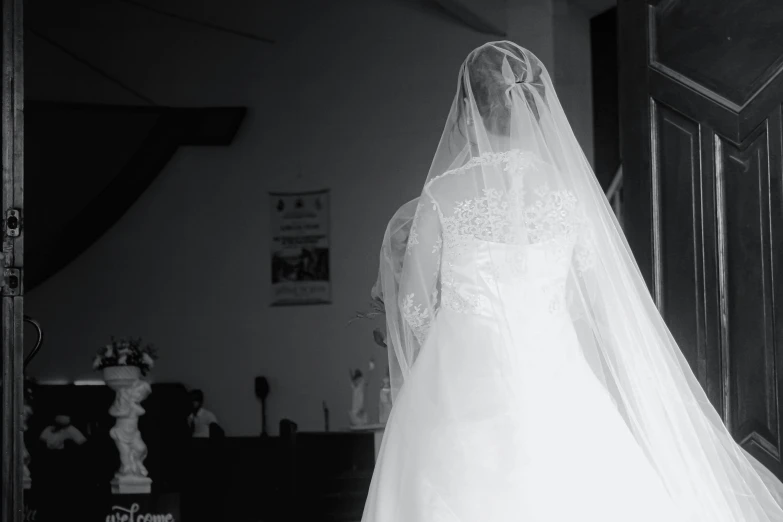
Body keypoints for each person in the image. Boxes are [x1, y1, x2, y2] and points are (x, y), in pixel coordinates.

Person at [362, 41, 783, 521]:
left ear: (465, 106)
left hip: (461, 377)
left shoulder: (441, 196)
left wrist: (440, 346)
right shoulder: (569, 195)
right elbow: (590, 300)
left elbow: (414, 305)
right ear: (533, 106)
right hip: (558, 373)